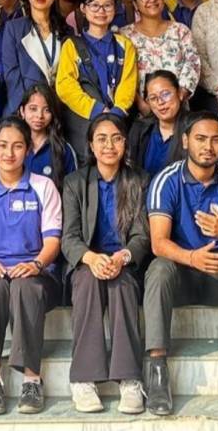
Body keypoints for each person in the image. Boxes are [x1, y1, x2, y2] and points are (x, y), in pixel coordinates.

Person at [143, 111, 218, 416]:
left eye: (215, 140)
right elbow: (158, 243)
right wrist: (191, 257)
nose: (208, 147)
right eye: (200, 139)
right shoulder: (166, 180)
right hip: (181, 275)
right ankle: (157, 371)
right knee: (158, 269)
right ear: (185, 141)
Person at [0, 117, 64, 415]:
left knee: (24, 288)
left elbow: (52, 242)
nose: (9, 153)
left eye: (18, 146)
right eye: (3, 145)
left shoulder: (43, 187)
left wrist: (36, 264)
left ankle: (31, 378)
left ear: (28, 149)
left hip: (37, 272)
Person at [61, 113, 150, 414]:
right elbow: (69, 237)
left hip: (122, 261)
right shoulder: (75, 182)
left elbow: (141, 235)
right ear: (90, 145)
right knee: (88, 282)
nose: (109, 146)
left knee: (122, 285)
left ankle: (129, 378)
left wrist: (123, 256)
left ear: (125, 143)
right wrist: (90, 258)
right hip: (88, 261)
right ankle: (84, 379)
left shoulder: (139, 181)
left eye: (116, 138)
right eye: (101, 139)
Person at [55, 0, 139, 159]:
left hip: (117, 119)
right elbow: (65, 85)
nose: (101, 11)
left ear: (115, 8)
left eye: (107, 5)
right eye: (94, 5)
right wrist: (96, 110)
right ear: (83, 8)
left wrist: (116, 111)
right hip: (83, 121)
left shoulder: (125, 45)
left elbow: (128, 83)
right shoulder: (72, 44)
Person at [121, 0, 200, 113]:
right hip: (141, 113)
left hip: (179, 109)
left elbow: (192, 64)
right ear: (135, 4)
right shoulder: (125, 36)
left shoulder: (180, 30)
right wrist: (141, 104)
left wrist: (180, 96)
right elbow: (122, 75)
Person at [2, 0, 68, 114]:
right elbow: (12, 76)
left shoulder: (66, 31)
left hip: (58, 109)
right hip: (23, 110)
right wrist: (26, 109)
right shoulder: (13, 29)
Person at [127, 71, 187, 179]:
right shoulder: (139, 128)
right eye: (153, 98)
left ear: (180, 93)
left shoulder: (194, 129)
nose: (160, 102)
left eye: (166, 94)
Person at [19, 83, 78, 187]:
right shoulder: (13, 146)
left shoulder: (63, 149)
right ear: (22, 111)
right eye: (33, 109)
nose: (39, 116)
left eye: (47, 110)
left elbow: (72, 190)